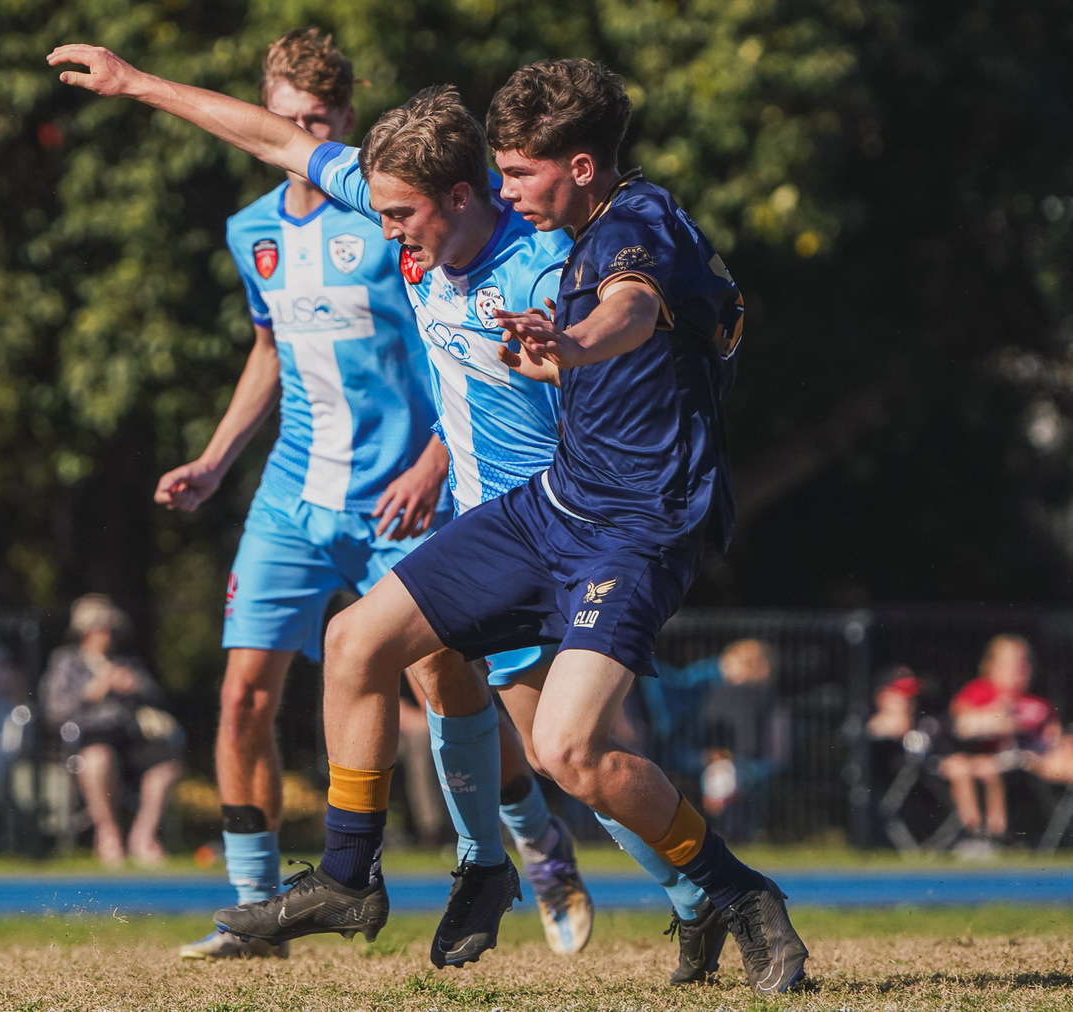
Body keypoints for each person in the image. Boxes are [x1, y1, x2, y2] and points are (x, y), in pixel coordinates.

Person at [46, 51, 810, 991]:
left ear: (485, 190)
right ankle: (352, 875)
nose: (382, 229)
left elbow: (633, 307)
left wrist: (563, 343)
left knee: (568, 751)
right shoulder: (426, 206)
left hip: (627, 526)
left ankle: (721, 893)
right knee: (365, 643)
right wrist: (137, 83)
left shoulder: (587, 246)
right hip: (535, 511)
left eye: (403, 213)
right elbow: (280, 140)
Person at [111, 30, 594, 963]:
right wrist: (216, 458)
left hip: (400, 496)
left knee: (446, 681)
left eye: (318, 122)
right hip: (295, 490)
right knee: (244, 692)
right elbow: (268, 349)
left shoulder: (390, 218)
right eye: (287, 115)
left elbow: (447, 350)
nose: (298, 133)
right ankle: (259, 910)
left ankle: (528, 845)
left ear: (342, 123)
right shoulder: (250, 231)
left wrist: (434, 462)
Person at [39, 594, 184, 867]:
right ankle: (107, 835)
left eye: (108, 629)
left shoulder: (126, 662)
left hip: (130, 736)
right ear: (84, 631)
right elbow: (53, 710)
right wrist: (91, 692)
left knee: (166, 765)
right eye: (98, 628)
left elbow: (158, 698)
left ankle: (144, 837)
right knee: (97, 760)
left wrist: (136, 687)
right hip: (90, 737)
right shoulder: (67, 662)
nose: (105, 635)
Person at [937, 634, 1058, 853]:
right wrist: (998, 717)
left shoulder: (1037, 704)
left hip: (1028, 765)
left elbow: (1052, 739)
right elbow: (960, 723)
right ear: (991, 665)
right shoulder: (978, 692)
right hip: (984, 761)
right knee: (984, 768)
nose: (1019, 669)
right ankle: (983, 834)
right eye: (1011, 663)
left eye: (1023, 663)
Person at [695, 640, 789, 842]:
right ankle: (732, 828)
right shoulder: (719, 696)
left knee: (725, 775)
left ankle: (731, 828)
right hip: (720, 761)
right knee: (722, 772)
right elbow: (708, 735)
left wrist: (734, 758)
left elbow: (770, 748)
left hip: (753, 762)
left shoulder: (764, 699)